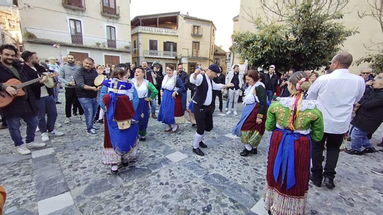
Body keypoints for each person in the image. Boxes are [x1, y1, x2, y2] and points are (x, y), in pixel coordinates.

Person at [264, 71, 324, 215]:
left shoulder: (276, 106)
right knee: (298, 171)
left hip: (279, 141)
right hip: (300, 144)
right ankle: (290, 208)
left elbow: (269, 127)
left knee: (275, 169)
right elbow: (317, 136)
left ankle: (273, 203)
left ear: (290, 85)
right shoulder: (314, 110)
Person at [307, 52, 365, 189]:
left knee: (317, 148)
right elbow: (357, 98)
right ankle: (329, 176)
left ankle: (316, 176)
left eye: (332, 62)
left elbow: (311, 97)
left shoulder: (324, 79)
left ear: (336, 63)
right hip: (341, 121)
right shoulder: (358, 80)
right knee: (334, 149)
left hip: (322, 120)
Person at [0, 44, 46, 154]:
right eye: (7, 54)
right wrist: (5, 87)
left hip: (25, 100)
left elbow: (26, 84)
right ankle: (19, 144)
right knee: (14, 125)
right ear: (1, 54)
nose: (10, 57)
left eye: (12, 55)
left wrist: (40, 82)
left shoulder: (19, 67)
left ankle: (30, 141)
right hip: (8, 102)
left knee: (33, 122)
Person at [189, 64, 233, 156]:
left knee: (208, 127)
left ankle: (200, 140)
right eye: (216, 73)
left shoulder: (210, 80)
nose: (216, 75)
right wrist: (195, 74)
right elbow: (193, 80)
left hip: (207, 108)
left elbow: (216, 86)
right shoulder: (201, 77)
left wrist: (226, 85)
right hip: (199, 107)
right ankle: (195, 147)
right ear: (210, 71)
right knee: (200, 128)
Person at [101, 68, 139, 173]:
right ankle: (114, 161)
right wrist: (109, 109)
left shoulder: (130, 84)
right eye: (126, 76)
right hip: (112, 118)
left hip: (128, 115)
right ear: (119, 75)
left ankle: (125, 156)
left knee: (126, 136)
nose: (128, 78)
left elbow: (135, 98)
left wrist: (131, 111)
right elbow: (102, 99)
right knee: (113, 137)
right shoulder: (108, 85)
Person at [21, 51, 64, 142]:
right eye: (36, 58)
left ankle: (51, 129)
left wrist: (52, 75)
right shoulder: (24, 70)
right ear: (29, 59)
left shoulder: (39, 67)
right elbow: (29, 85)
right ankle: (43, 132)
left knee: (53, 113)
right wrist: (41, 82)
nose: (38, 59)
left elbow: (48, 73)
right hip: (37, 96)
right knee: (41, 116)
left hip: (48, 94)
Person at [232, 70, 267, 156]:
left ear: (254, 78)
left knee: (246, 128)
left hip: (256, 110)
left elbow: (263, 103)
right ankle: (253, 148)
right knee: (252, 129)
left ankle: (248, 148)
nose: (247, 82)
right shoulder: (253, 86)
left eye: (248, 80)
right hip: (251, 109)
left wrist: (259, 116)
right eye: (246, 80)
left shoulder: (259, 87)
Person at [346, 75, 383, 155]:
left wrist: (361, 103)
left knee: (356, 134)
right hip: (363, 117)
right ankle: (368, 147)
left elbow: (368, 104)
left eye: (375, 82)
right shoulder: (374, 91)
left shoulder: (381, 95)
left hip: (370, 119)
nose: (373, 83)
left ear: (381, 84)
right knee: (361, 134)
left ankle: (356, 149)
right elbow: (363, 98)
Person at [74, 57, 100, 135]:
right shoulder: (78, 72)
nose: (88, 65)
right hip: (83, 96)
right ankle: (89, 128)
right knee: (89, 112)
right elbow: (81, 84)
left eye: (90, 64)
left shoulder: (94, 71)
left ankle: (91, 125)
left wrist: (99, 86)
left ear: (92, 65)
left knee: (94, 112)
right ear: (83, 63)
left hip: (94, 95)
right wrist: (92, 88)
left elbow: (97, 81)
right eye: (86, 63)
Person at [132, 67, 158, 141]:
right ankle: (134, 134)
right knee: (134, 118)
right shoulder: (130, 81)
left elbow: (155, 91)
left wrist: (150, 98)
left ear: (143, 74)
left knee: (143, 118)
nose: (136, 73)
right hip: (133, 103)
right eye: (135, 72)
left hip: (143, 103)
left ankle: (142, 134)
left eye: (138, 72)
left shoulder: (147, 83)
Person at [157, 65, 186, 132]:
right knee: (164, 111)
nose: (168, 71)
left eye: (170, 70)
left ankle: (174, 125)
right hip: (165, 96)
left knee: (169, 112)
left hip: (171, 96)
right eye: (167, 70)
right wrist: (161, 90)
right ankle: (168, 125)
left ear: (173, 70)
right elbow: (162, 86)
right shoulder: (165, 77)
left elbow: (182, 87)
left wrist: (176, 92)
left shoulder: (176, 78)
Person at [59, 54, 84, 124]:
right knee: (68, 102)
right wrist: (68, 83)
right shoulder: (63, 68)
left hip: (77, 87)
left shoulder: (78, 68)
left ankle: (81, 114)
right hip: (68, 87)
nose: (70, 59)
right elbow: (60, 78)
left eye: (72, 58)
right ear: (67, 59)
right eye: (69, 58)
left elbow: (81, 76)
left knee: (79, 102)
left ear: (74, 59)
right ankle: (68, 117)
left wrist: (78, 83)